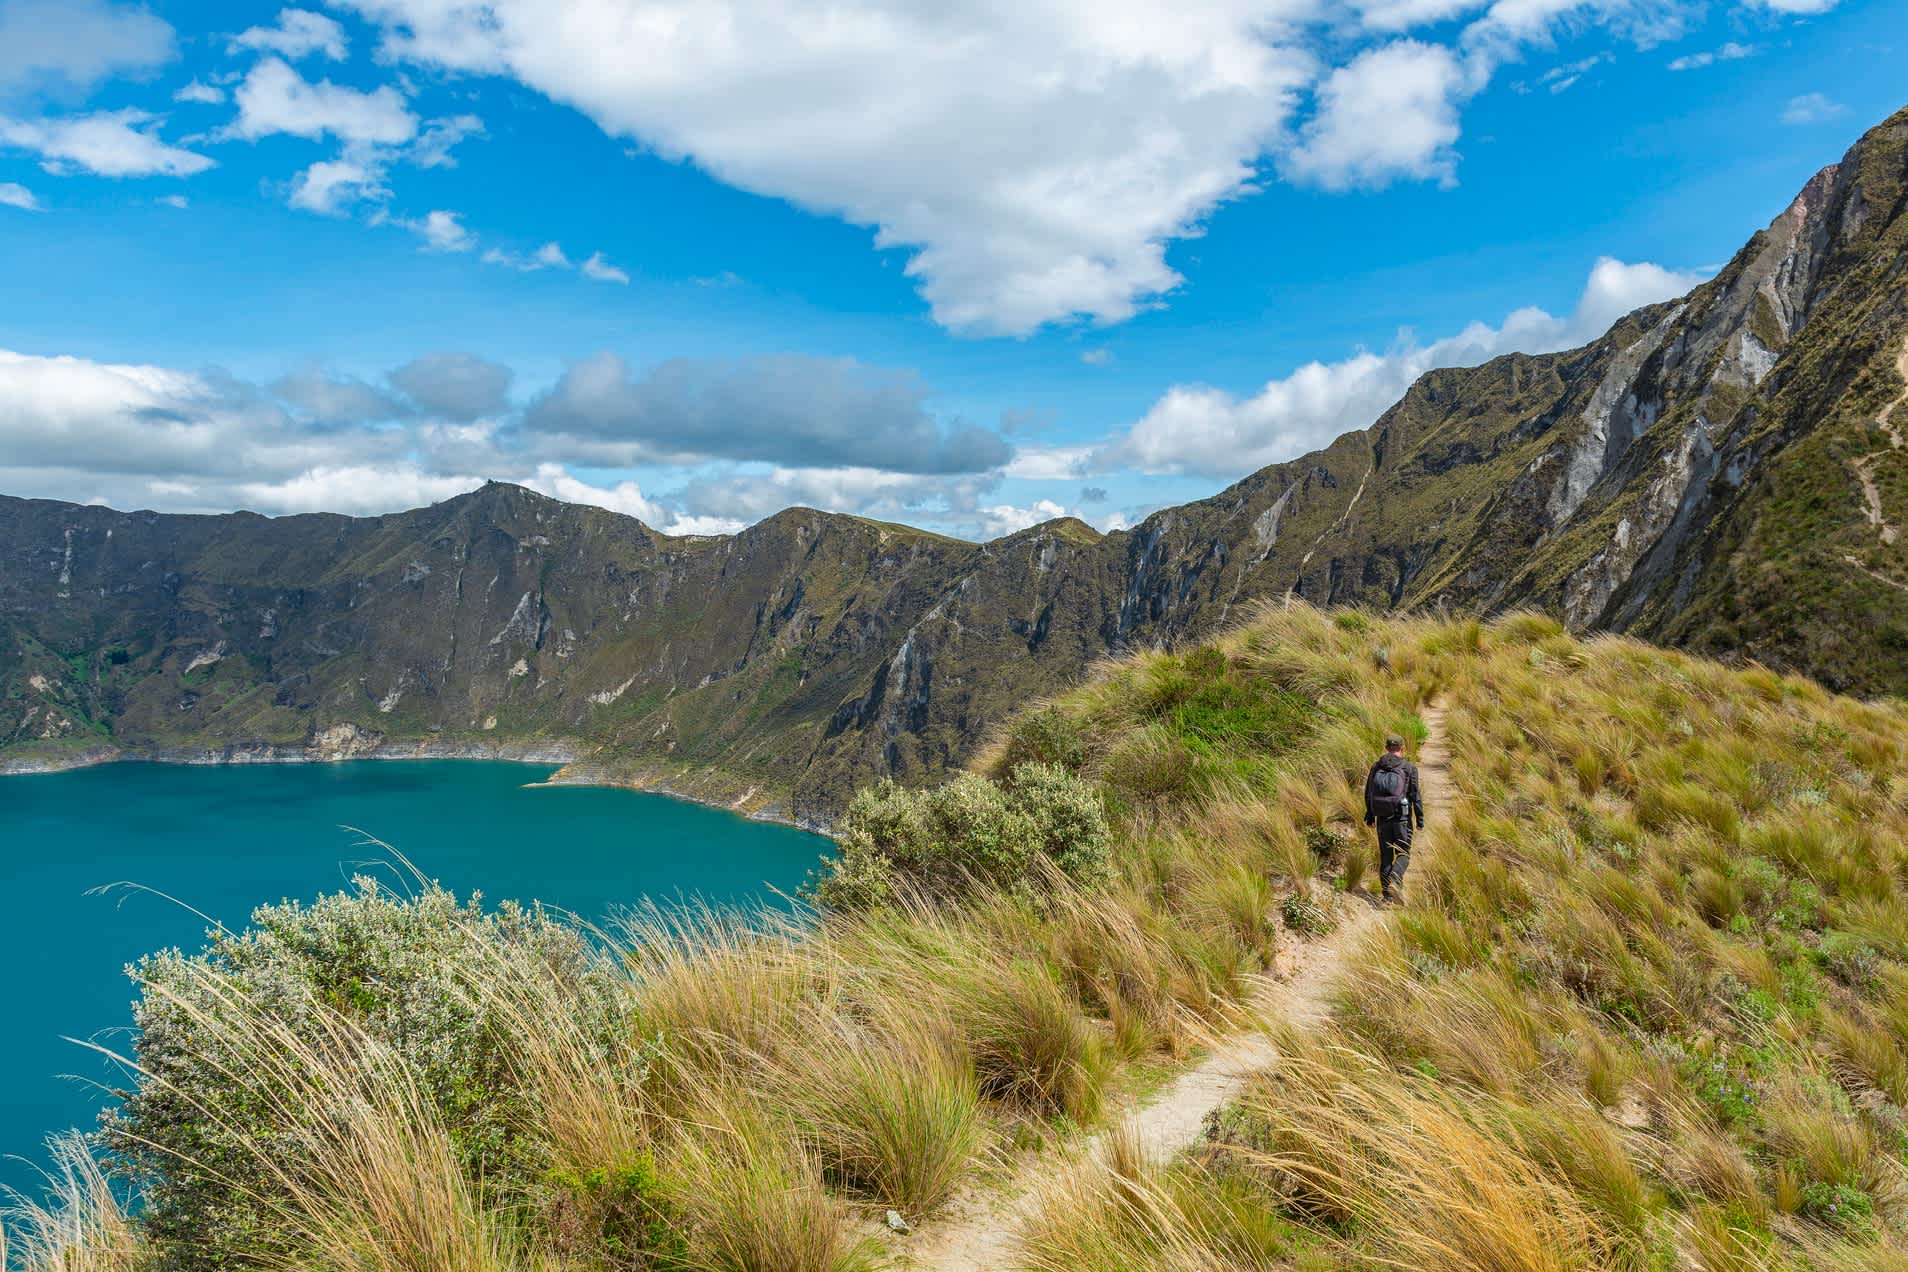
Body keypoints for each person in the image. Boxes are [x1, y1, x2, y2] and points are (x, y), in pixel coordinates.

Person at [1364, 732, 1424, 905]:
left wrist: (1370, 815)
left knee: (1386, 857)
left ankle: (1388, 897)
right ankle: (1395, 880)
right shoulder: (1408, 768)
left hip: (1382, 818)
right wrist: (1420, 819)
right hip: (1402, 820)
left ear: (1386, 748)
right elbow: (1415, 795)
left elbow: (1368, 793)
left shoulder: (1376, 767)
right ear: (1402, 748)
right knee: (1403, 854)